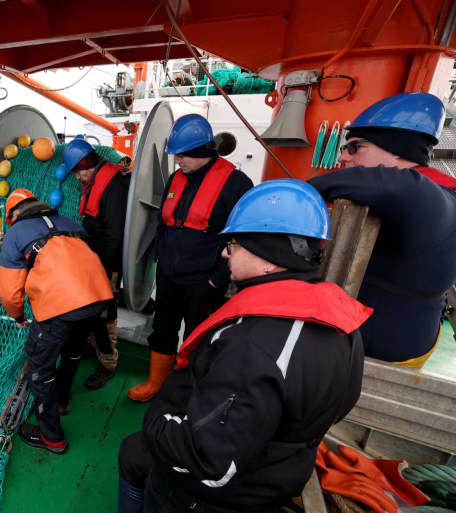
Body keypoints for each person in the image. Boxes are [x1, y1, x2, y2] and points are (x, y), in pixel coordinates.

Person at [117, 179, 371, 513]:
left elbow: (208, 462)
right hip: (286, 464)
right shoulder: (337, 317)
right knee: (135, 452)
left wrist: (157, 423)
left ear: (268, 257)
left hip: (228, 491)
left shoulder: (252, 345)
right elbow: (342, 404)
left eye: (233, 244)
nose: (224, 252)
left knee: (135, 452)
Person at [309, 92, 456, 367]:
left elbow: (394, 186)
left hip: (385, 359)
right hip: (385, 342)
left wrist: (298, 191)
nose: (342, 157)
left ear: (397, 148)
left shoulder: (434, 199)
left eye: (354, 147)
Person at [128, 114, 253, 403]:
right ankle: (156, 383)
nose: (178, 160)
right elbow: (163, 222)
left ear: (204, 151)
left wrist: (217, 279)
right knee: (163, 330)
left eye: (183, 155)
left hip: (204, 280)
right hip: (169, 275)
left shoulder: (236, 184)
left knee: (199, 337)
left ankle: (187, 393)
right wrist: (160, 257)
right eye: (177, 154)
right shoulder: (176, 178)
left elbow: (243, 238)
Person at [0, 188, 113, 453]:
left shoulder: (16, 233)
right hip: (97, 297)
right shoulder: (70, 224)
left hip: (61, 305)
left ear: (13, 214)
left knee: (40, 368)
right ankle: (61, 401)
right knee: (72, 352)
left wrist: (18, 316)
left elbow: (8, 289)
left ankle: (52, 437)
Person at [63, 138, 129, 390]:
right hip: (92, 260)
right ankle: (93, 346)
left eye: (80, 172)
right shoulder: (96, 180)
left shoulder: (114, 186)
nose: (79, 177)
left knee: (103, 315)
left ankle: (108, 364)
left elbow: (115, 233)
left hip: (105, 264)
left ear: (88, 164)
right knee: (88, 309)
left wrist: (103, 270)